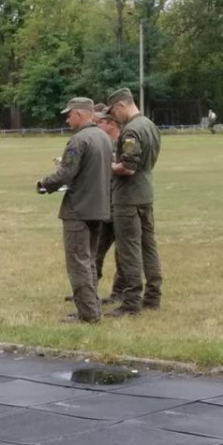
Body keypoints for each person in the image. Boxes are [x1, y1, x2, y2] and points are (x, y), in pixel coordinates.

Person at [37, 98, 113, 323]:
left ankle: (88, 314)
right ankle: (91, 308)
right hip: (99, 208)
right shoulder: (104, 138)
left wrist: (43, 183)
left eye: (69, 115)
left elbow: (65, 174)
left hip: (78, 210)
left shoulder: (79, 140)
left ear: (80, 114)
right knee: (88, 260)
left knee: (78, 263)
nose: (67, 119)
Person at [103, 88, 162, 317]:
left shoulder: (131, 130)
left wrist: (106, 167)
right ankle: (153, 295)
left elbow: (127, 167)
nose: (113, 118)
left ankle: (131, 302)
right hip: (146, 193)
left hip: (128, 197)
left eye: (113, 112)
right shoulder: (150, 125)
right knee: (149, 245)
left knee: (129, 250)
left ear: (121, 105)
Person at [94, 107, 127, 305]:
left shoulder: (122, 144)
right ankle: (88, 290)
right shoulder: (104, 144)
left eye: (100, 123)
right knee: (96, 250)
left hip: (120, 204)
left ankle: (119, 292)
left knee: (122, 254)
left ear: (111, 124)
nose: (97, 127)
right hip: (104, 205)